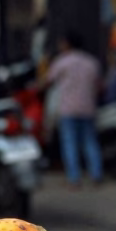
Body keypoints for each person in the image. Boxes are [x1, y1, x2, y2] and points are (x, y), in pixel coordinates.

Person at [45, 31, 103, 188]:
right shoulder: (91, 62)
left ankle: (74, 178)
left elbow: (47, 81)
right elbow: (98, 85)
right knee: (90, 142)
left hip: (68, 109)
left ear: (67, 44)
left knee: (70, 144)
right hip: (87, 108)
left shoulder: (62, 62)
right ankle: (96, 175)